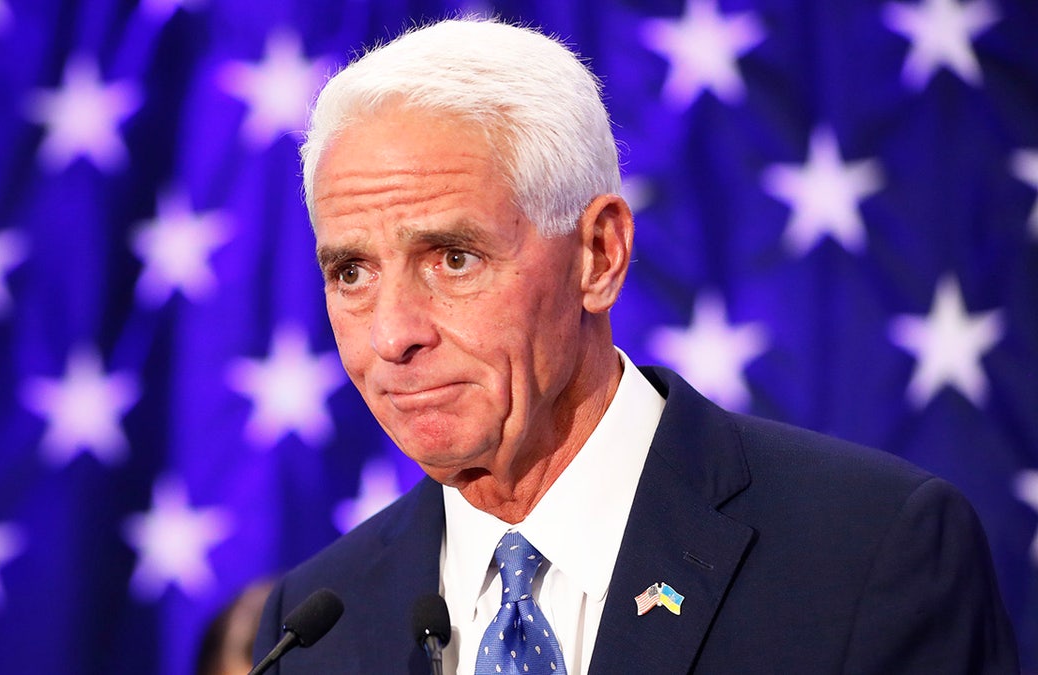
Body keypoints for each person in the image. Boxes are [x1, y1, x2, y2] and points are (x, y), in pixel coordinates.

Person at [253, 17, 1018, 674]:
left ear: (599, 255)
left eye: (454, 258)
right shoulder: (319, 625)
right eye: (351, 271)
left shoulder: (870, 555)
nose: (392, 335)